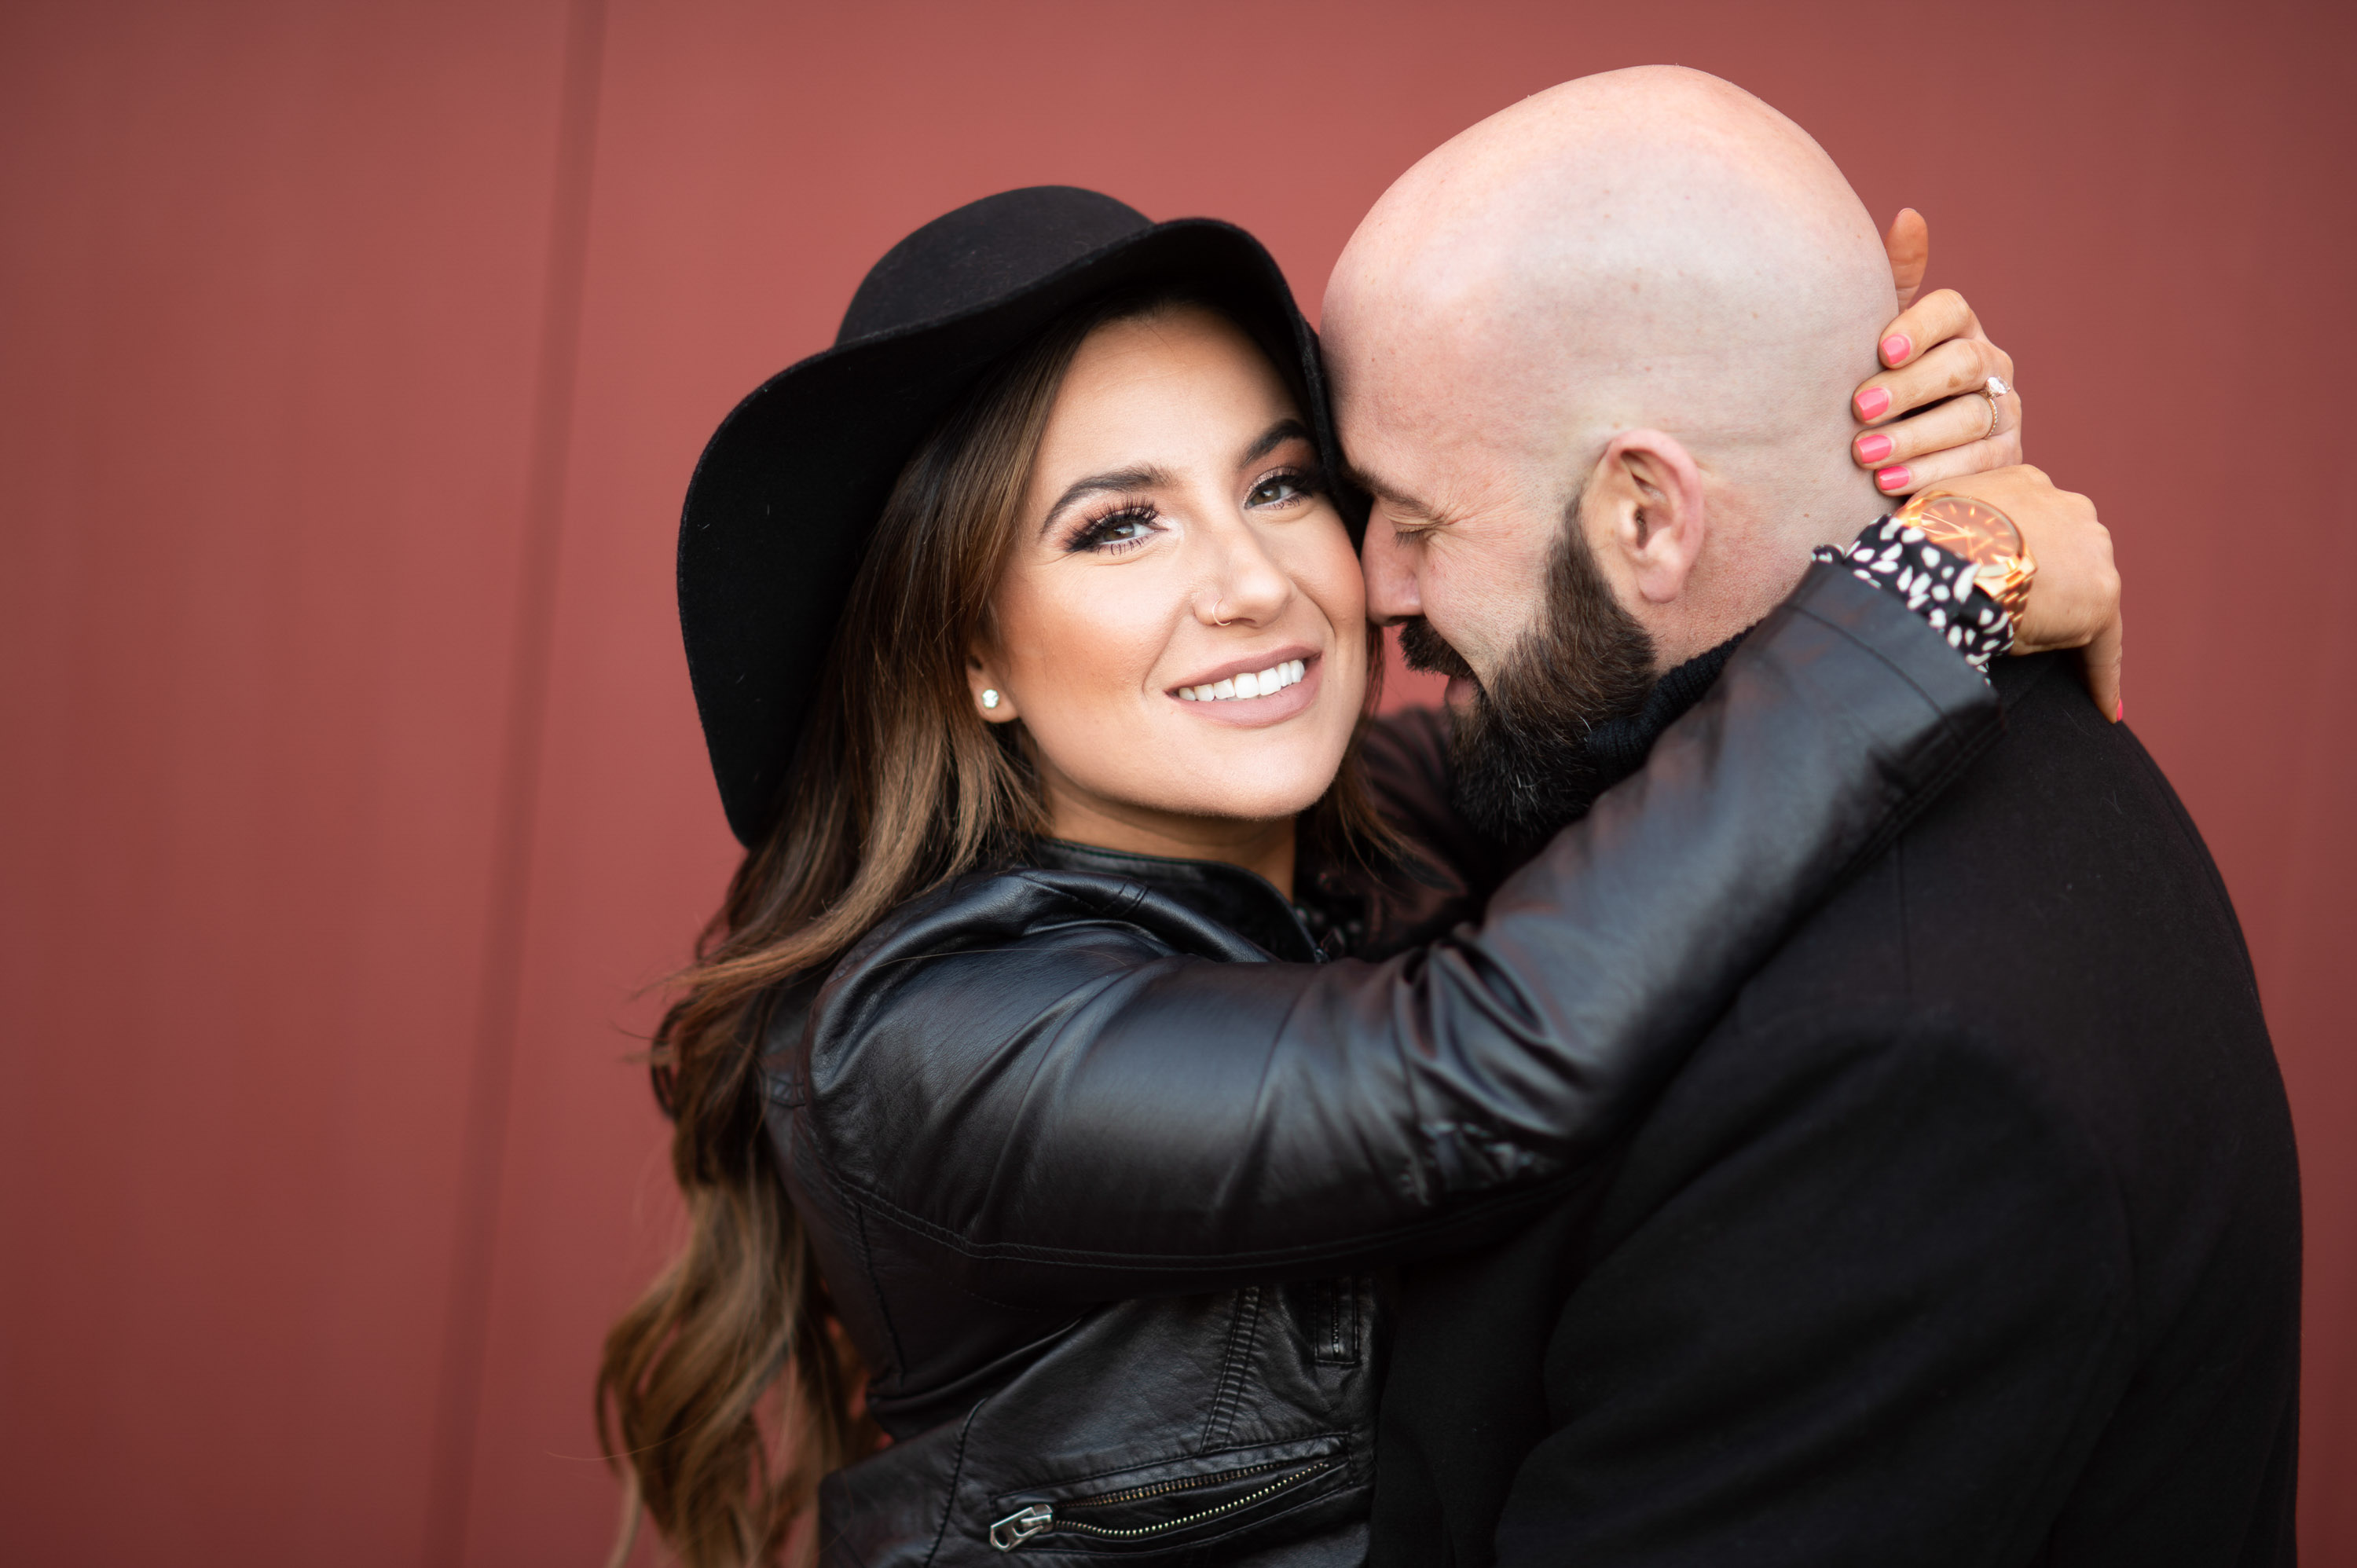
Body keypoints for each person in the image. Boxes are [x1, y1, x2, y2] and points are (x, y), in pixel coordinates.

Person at [599, 185, 2121, 1568]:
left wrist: (1872, 437)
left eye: (1276, 486)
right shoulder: (923, 1036)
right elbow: (1467, 1071)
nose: (1256, 582)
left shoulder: (1375, 830)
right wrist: (1941, 576)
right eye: (1118, 524)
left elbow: (1664, 726)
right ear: (970, 651)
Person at [1318, 68, 2299, 1567]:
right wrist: (1951, 556)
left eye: (1417, 522)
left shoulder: (1898, 1079)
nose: (1375, 590)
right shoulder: (1671, 739)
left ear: (1648, 515)